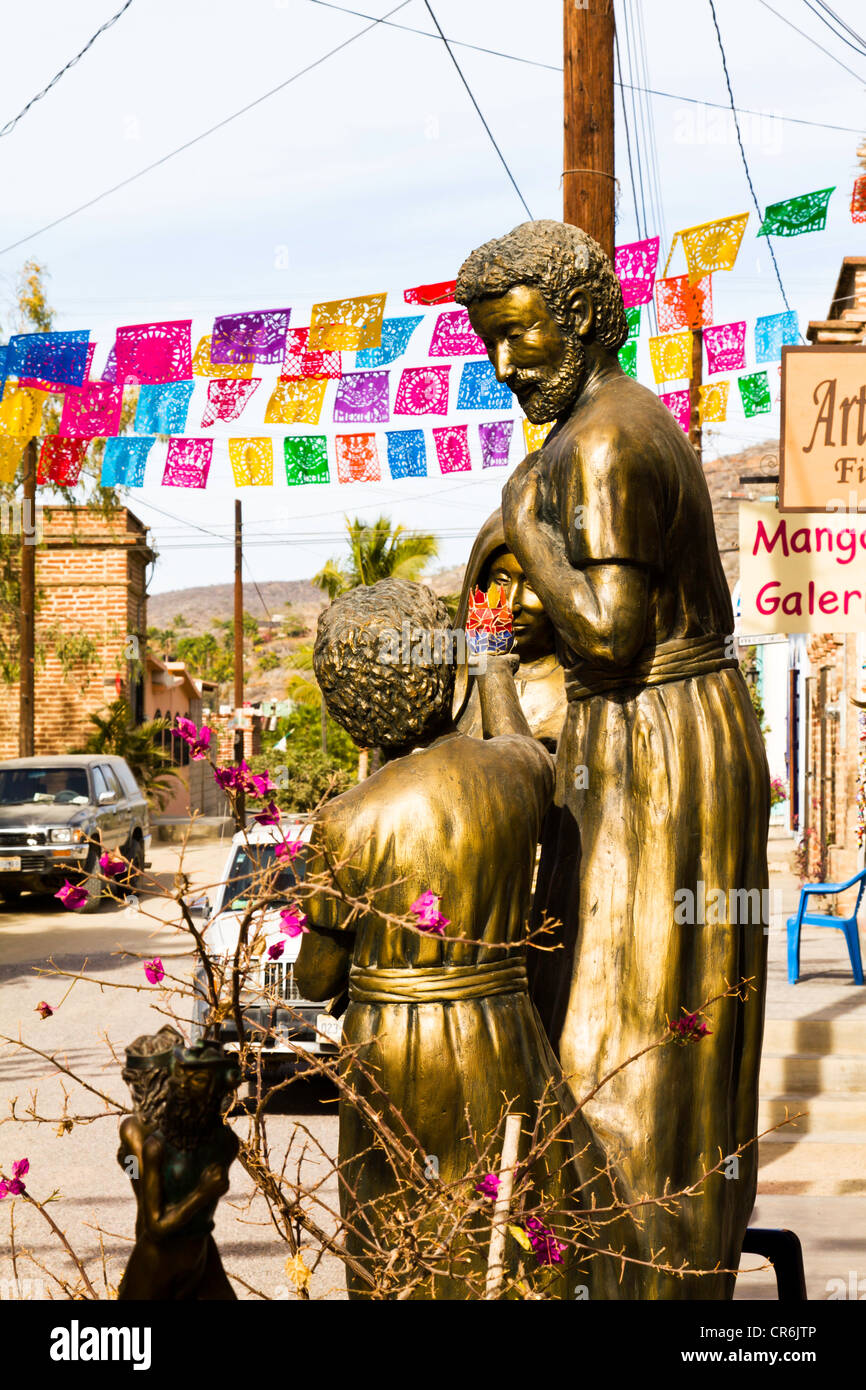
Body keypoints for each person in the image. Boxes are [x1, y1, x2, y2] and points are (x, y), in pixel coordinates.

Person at [456, 219, 770, 1300]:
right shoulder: (599, 428)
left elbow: (610, 636)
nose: (503, 366)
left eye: (520, 334)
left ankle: (643, 1272)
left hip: (659, 739)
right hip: (648, 730)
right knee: (637, 1008)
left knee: (626, 1028)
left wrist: (518, 524)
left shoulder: (601, 440)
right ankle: (643, 1266)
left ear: (582, 315)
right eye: (487, 343)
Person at [295, 578, 618, 1299]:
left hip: (393, 1054)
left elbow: (316, 980)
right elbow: (520, 742)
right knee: (511, 1234)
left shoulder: (345, 821)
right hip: (502, 1037)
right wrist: (493, 662)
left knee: (398, 1248)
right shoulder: (513, 774)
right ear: (437, 671)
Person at [454, 510, 566, 752]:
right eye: (501, 581)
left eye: (533, 585)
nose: (510, 604)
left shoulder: (581, 690)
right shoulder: (452, 683)